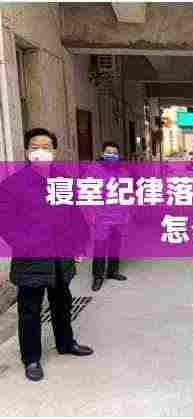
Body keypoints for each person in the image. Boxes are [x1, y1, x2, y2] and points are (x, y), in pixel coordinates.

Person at [0, 128, 93, 382]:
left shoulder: (62, 180)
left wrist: (79, 244)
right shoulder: (12, 185)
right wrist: (28, 245)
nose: (40, 151)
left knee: (62, 302)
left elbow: (75, 214)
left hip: (61, 255)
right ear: (27, 151)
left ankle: (66, 343)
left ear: (54, 151)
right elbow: (6, 224)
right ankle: (31, 358)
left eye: (46, 147)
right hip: (31, 258)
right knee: (30, 309)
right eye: (35, 146)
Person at [91, 142, 128, 292]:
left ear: (118, 155)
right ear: (102, 154)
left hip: (118, 215)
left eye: (114, 153)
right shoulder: (94, 170)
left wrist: (126, 212)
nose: (111, 155)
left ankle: (112, 272)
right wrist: (91, 213)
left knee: (115, 245)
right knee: (100, 246)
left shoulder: (123, 171)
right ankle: (98, 277)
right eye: (108, 152)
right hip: (101, 216)